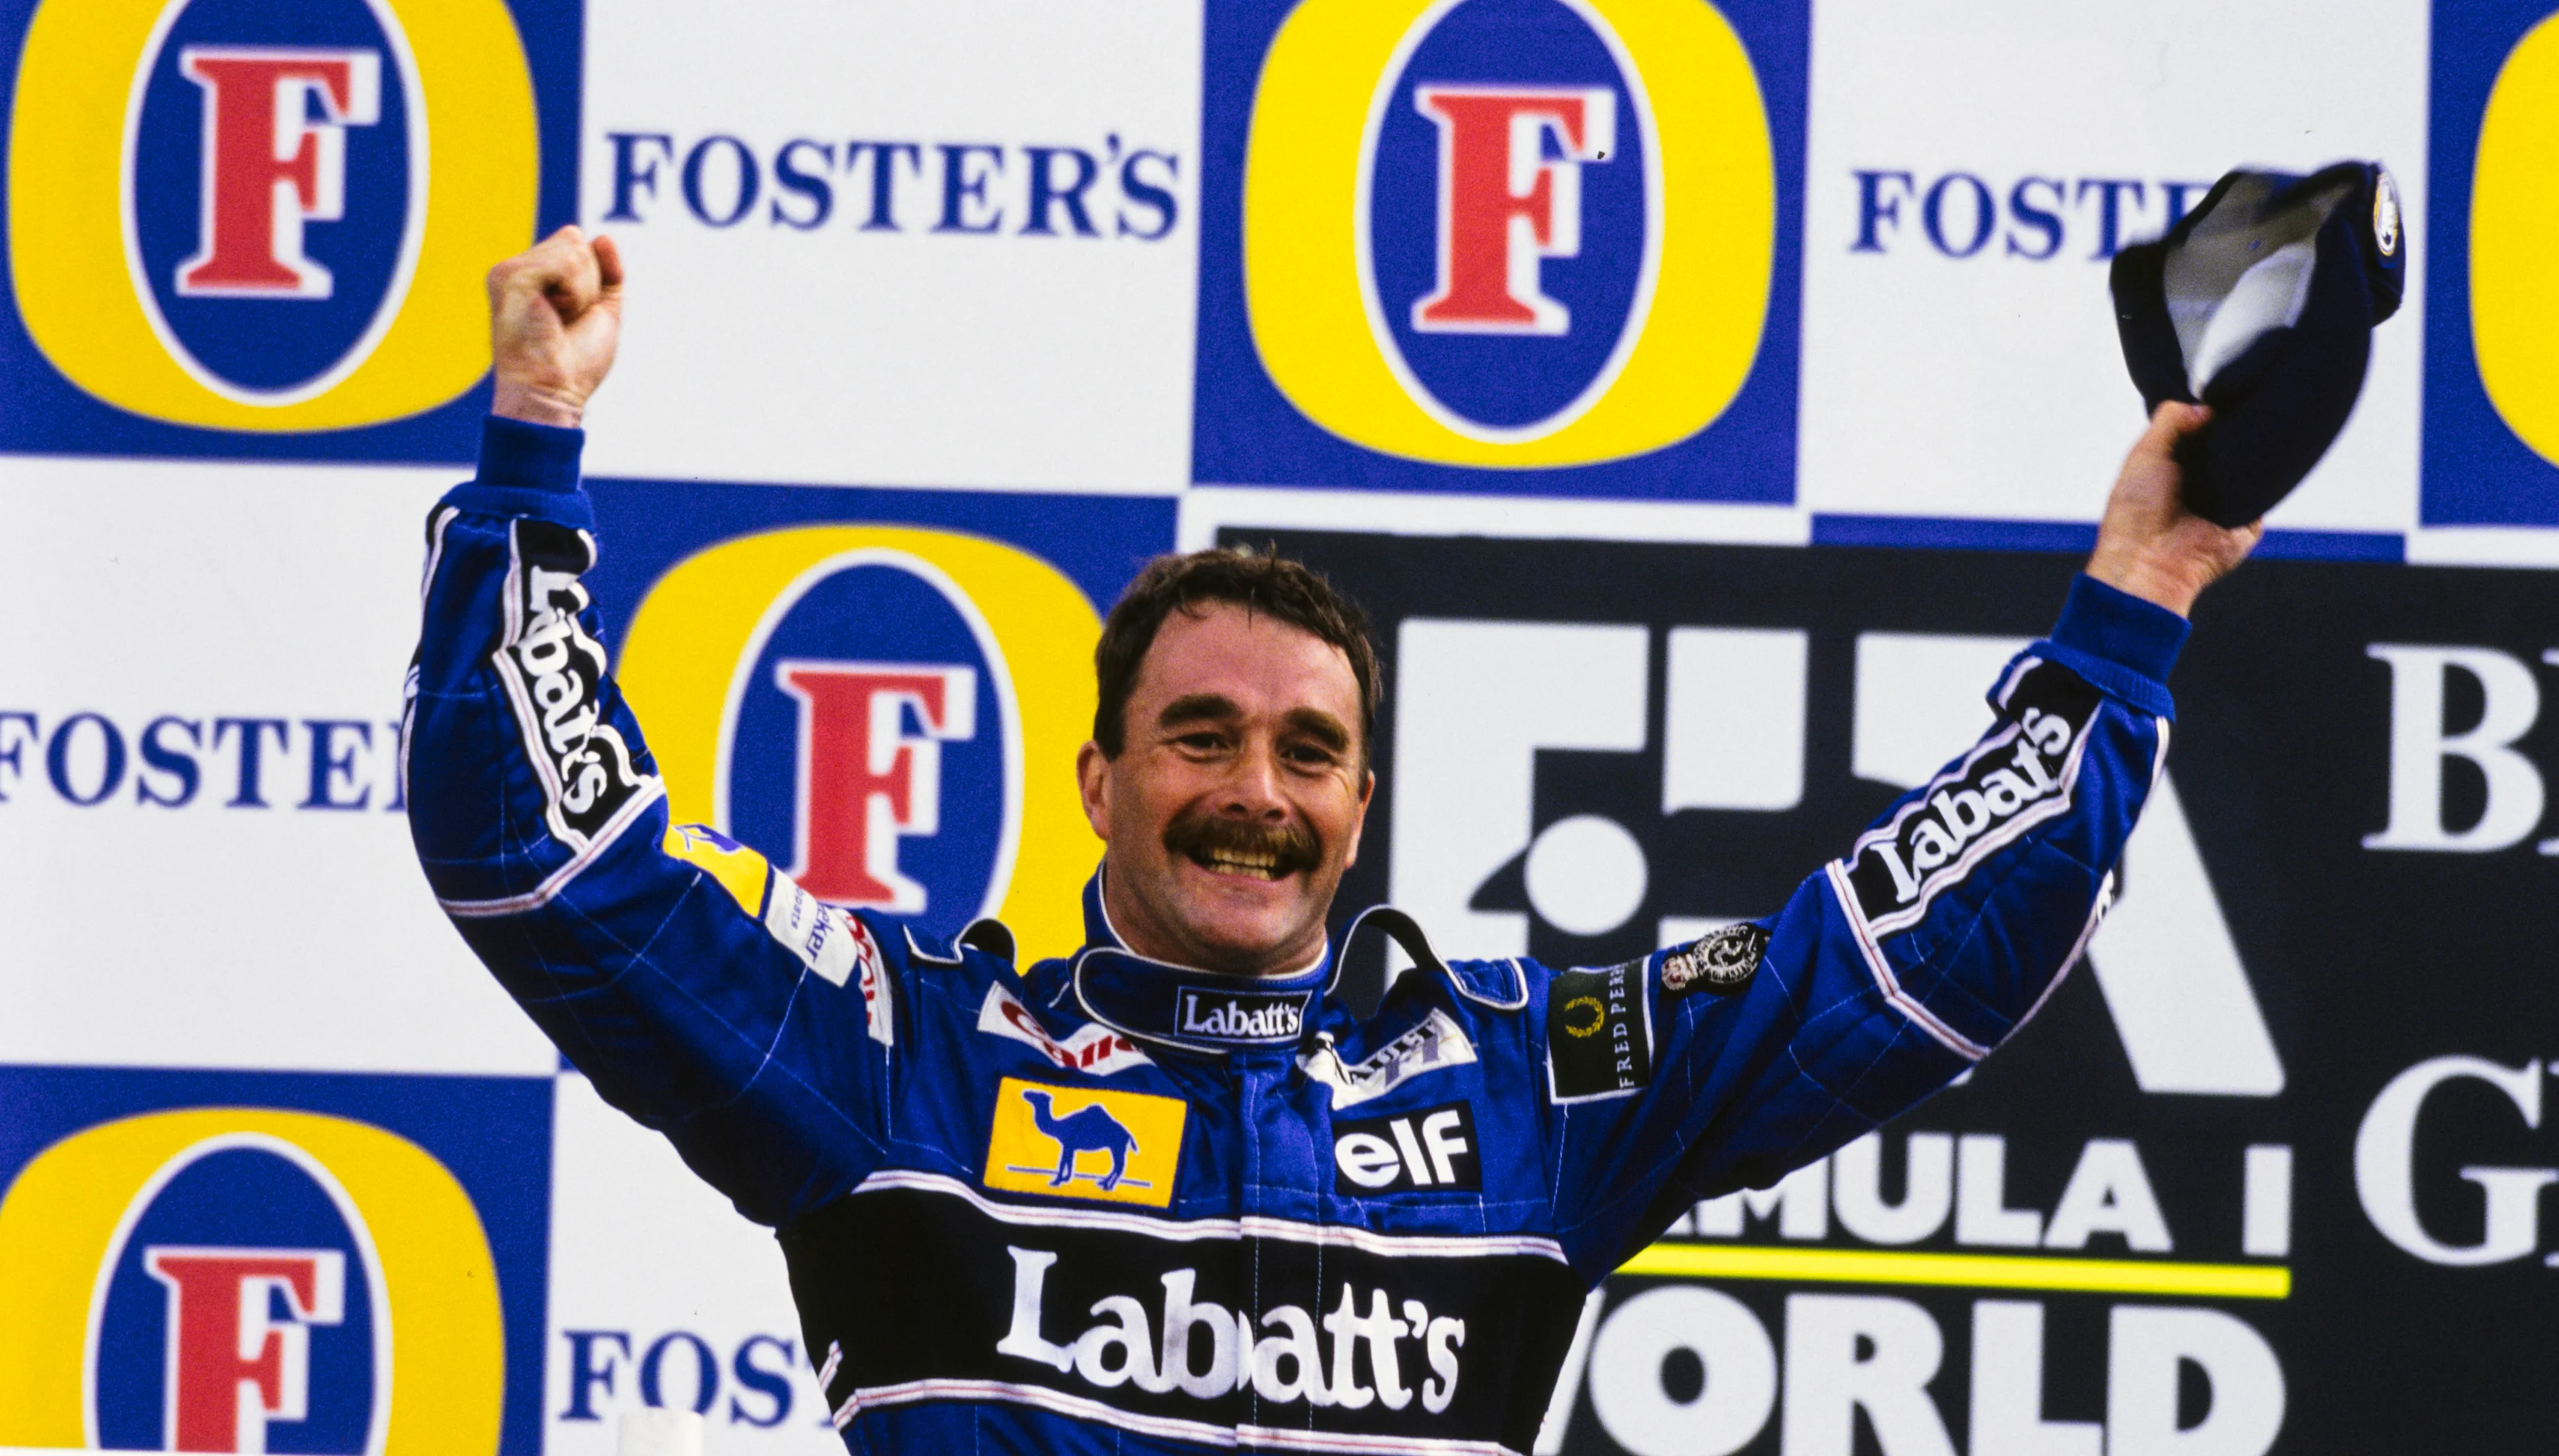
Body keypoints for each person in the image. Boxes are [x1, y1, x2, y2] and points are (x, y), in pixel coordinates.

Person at [406, 227, 2256, 1454]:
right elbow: (541, 855)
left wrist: (2136, 595)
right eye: (1198, 737)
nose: (1256, 793)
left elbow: (1901, 959)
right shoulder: (900, 1054)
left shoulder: (1535, 1077)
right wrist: (533, 444)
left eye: (1310, 753)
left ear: (1361, 808)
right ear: (1098, 782)